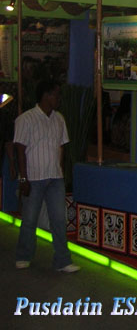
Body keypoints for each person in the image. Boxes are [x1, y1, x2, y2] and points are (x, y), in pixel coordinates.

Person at [14, 80, 79, 273]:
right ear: (46, 95)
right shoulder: (26, 119)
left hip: (55, 177)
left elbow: (61, 147)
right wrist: (23, 178)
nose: (59, 99)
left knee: (59, 220)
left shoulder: (59, 119)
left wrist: (61, 171)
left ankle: (62, 260)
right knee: (29, 219)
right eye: (56, 95)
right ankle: (24, 255)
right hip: (33, 177)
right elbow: (20, 150)